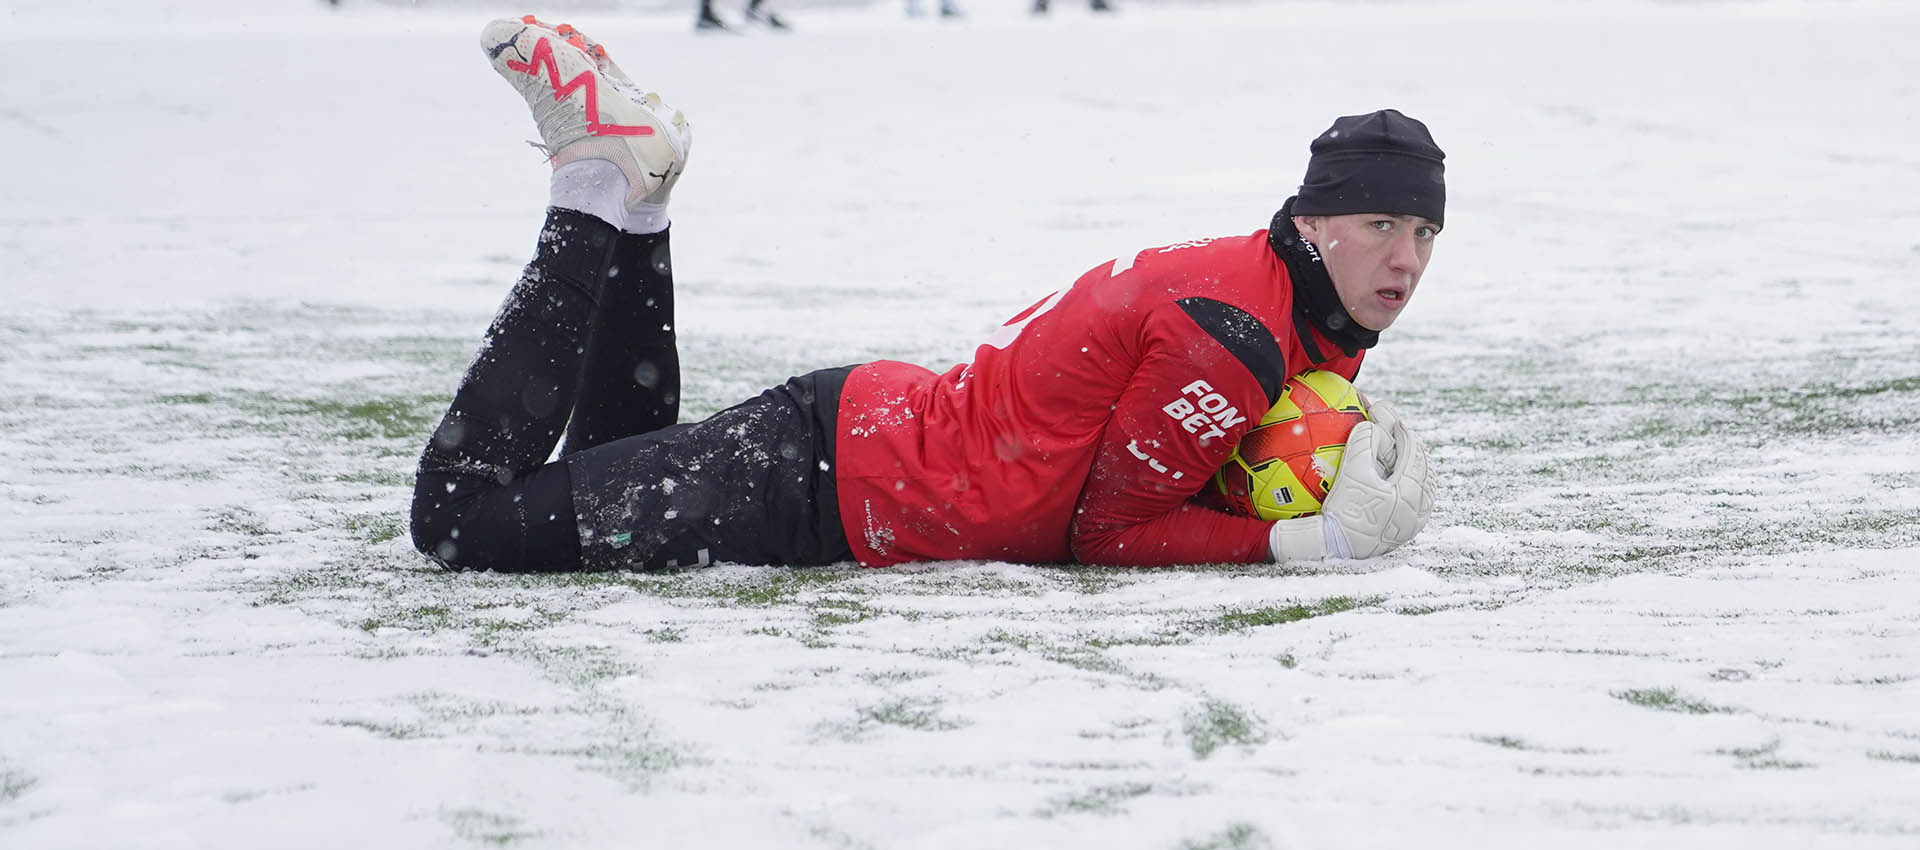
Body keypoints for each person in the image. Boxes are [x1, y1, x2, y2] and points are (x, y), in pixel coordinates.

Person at [414, 16, 1437, 573]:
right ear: (1314, 223)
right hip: (825, 484)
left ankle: (639, 204)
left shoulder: (1285, 298)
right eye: (1381, 225)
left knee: (600, 469)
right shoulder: (1236, 330)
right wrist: (1302, 541)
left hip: (854, 448)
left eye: (1425, 232)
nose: (1405, 258)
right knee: (461, 521)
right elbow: (1109, 535)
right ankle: (596, 183)